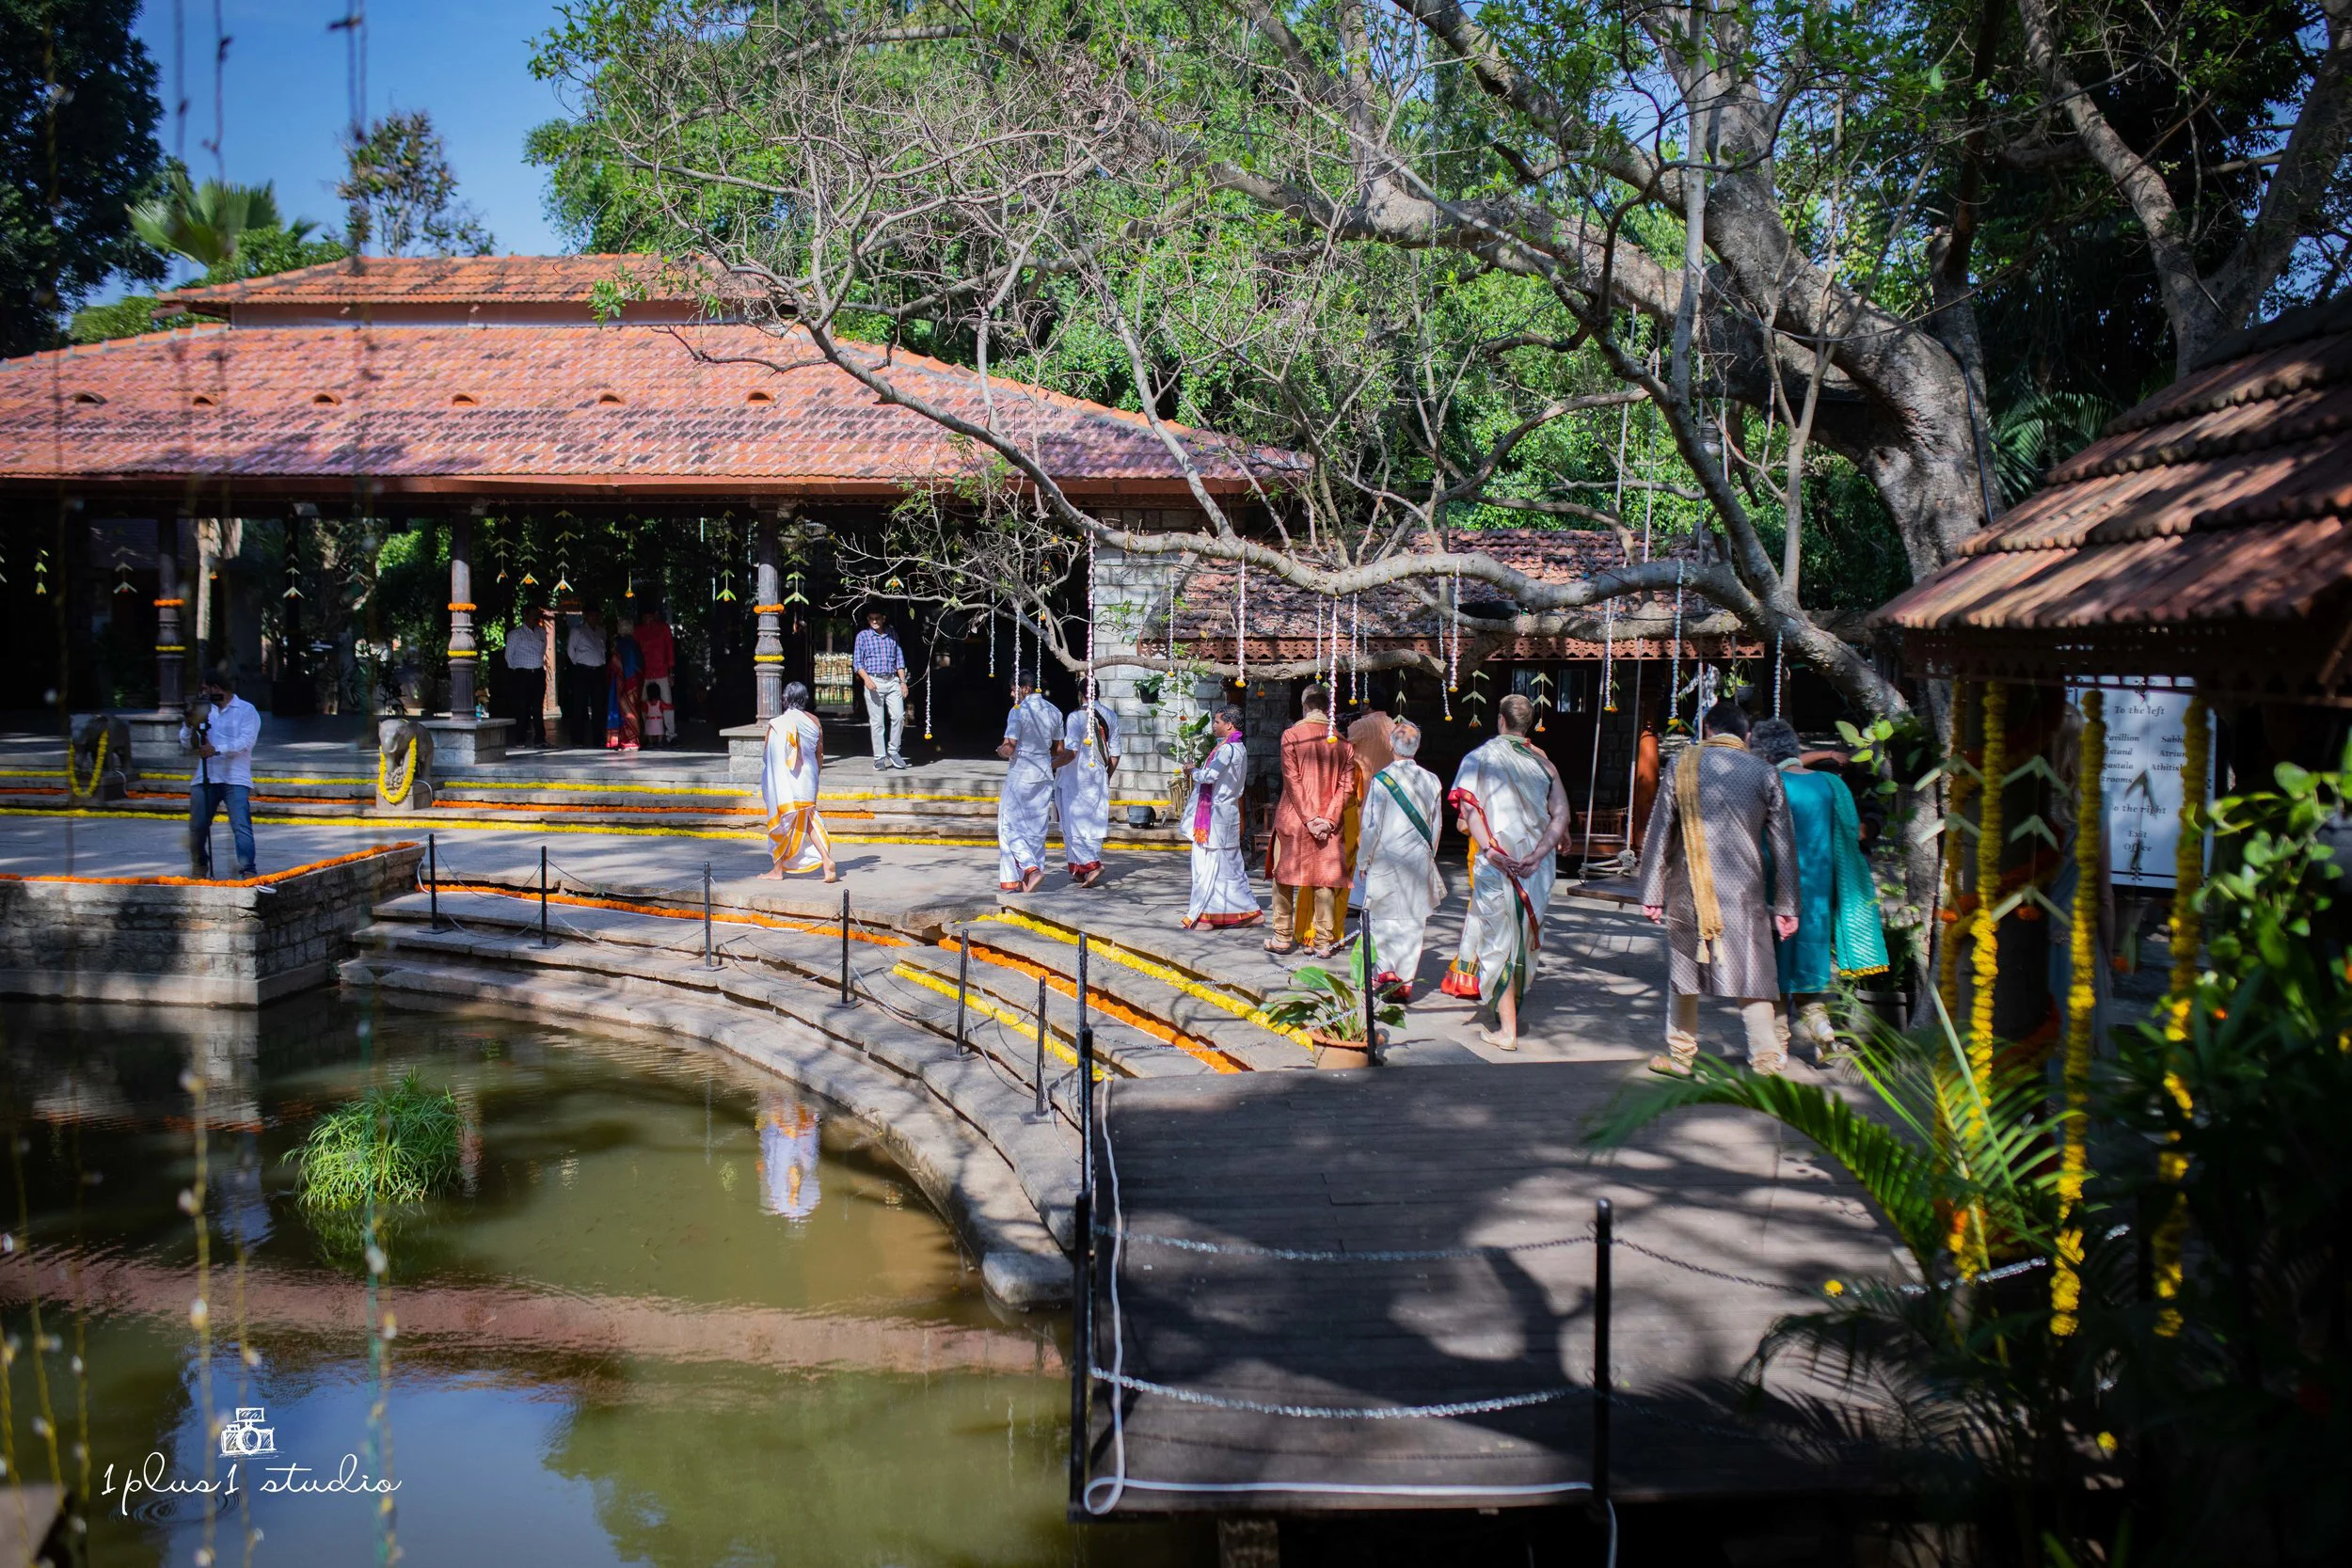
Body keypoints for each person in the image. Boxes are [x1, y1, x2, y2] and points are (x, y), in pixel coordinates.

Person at [1638, 701, 1802, 1075]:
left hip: (1689, 887)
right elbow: (1784, 846)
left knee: (1684, 972)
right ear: (1746, 735)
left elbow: (1661, 830)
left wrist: (1651, 893)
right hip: (1746, 892)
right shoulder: (1765, 773)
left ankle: (1680, 1055)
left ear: (1707, 728)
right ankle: (1765, 1057)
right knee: (1754, 972)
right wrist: (1788, 905)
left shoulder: (1683, 764)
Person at [1748, 719, 1888, 1061]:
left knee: (1775, 971)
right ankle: (1823, 1028)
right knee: (1811, 965)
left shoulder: (1770, 781)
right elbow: (1851, 831)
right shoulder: (1830, 785)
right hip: (1820, 889)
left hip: (1775, 887)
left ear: (1763, 753)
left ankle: (1778, 1046)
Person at [1440, 694, 1571, 1049]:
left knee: (1499, 942)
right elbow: (1561, 816)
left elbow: (1467, 811)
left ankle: (1507, 1030)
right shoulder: (1544, 764)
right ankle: (1509, 1014)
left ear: (1500, 720)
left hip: (1497, 865)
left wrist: (1491, 851)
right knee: (1523, 939)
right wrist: (1539, 853)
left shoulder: (1479, 758)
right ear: (1527, 724)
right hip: (1536, 866)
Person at [1350, 719, 1444, 999]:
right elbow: (1436, 824)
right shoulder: (1432, 780)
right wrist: (1431, 854)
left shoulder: (1381, 781)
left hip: (1386, 859)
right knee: (1413, 921)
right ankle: (1403, 981)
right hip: (1418, 858)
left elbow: (1371, 826)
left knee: (1383, 918)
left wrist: (1363, 860)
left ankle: (1384, 972)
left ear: (1391, 744)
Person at [1267, 685, 1356, 957]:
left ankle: (1282, 937)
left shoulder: (1292, 736)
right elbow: (1347, 787)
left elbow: (1291, 780)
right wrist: (1326, 820)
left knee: (1283, 878)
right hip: (1328, 825)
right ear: (1329, 708)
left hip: (1295, 819)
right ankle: (1322, 942)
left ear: (1304, 705)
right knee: (1324, 881)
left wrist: (1310, 818)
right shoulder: (1343, 744)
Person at [1183, 705, 1262, 928]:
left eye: (1217, 722)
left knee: (1210, 865)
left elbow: (1209, 776)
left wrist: (1192, 770)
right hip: (1224, 814)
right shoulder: (1236, 747)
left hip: (1217, 816)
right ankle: (1249, 912)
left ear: (1229, 725)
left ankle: (1209, 914)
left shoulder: (1228, 749)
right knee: (1229, 867)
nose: (1213, 725)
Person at [183, 667, 261, 879]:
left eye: (205, 689)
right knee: (197, 826)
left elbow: (246, 741)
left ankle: (247, 868)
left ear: (217, 688)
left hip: (235, 777)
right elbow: (185, 742)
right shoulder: (204, 709)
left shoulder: (246, 710)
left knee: (241, 825)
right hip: (206, 775)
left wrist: (217, 749)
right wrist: (189, 725)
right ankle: (199, 865)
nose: (203, 694)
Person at [759, 680, 838, 882]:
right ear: (805, 699)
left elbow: (768, 754)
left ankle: (777, 871)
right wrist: (816, 774)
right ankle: (826, 860)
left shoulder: (777, 723)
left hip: (788, 780)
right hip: (808, 776)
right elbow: (820, 753)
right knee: (809, 819)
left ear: (785, 699)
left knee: (783, 822)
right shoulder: (814, 721)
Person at [996, 674, 1067, 893]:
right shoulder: (1054, 711)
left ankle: (1030, 868)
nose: (1011, 694)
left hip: (1022, 773)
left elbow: (1010, 746)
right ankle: (1029, 880)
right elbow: (1060, 750)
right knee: (1036, 828)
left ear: (1025, 688)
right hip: (1044, 772)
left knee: (1008, 825)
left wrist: (1000, 750)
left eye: (1013, 689)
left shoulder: (1019, 710)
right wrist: (1043, 756)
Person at [1338, 703, 1395, 931]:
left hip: (1364, 790)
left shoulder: (1361, 725)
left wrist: (1341, 729)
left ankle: (1358, 897)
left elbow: (1341, 747)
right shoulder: (1393, 724)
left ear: (1367, 703)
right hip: (1389, 791)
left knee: (1359, 843)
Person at [1056, 694, 1120, 887]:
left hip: (1075, 778)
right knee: (1093, 823)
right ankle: (1079, 870)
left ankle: (1092, 865)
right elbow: (1115, 754)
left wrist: (1051, 764)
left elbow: (1071, 752)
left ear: (1080, 694)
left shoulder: (1076, 717)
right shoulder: (1110, 715)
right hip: (1098, 775)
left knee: (1072, 822)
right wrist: (1106, 775)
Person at [853, 609, 910, 771]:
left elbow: (899, 660)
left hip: (892, 680)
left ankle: (893, 751)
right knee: (877, 722)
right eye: (871, 618)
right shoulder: (863, 637)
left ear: (884, 618)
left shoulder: (892, 634)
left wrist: (903, 682)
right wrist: (867, 680)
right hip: (874, 680)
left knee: (899, 716)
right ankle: (879, 757)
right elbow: (857, 663)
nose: (874, 621)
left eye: (877, 618)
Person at [500, 609, 549, 748]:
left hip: (538, 672)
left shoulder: (541, 632)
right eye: (532, 615)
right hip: (522, 673)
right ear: (525, 615)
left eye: (537, 616)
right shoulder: (516, 634)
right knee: (522, 707)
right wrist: (517, 672)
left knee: (537, 708)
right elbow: (508, 656)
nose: (535, 618)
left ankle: (540, 738)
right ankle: (520, 738)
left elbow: (543, 650)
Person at [564, 607, 608, 748]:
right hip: (582, 670)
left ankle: (598, 738)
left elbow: (603, 649)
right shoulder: (578, 631)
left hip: (598, 670)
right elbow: (571, 651)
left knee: (598, 706)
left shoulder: (602, 631)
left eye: (596, 615)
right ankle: (577, 738)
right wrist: (579, 664)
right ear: (586, 616)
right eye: (591, 615)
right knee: (579, 705)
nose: (594, 618)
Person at [636, 603, 677, 746]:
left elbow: (669, 650)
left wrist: (671, 672)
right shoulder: (638, 631)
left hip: (661, 670)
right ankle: (648, 734)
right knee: (644, 702)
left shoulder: (663, 629)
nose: (648, 619)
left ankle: (671, 734)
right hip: (645, 672)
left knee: (667, 703)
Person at [606, 613, 644, 752]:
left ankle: (630, 741)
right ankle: (631, 739)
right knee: (631, 710)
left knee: (624, 710)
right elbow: (639, 664)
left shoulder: (621, 644)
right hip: (633, 682)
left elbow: (615, 665)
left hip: (622, 682)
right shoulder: (634, 644)